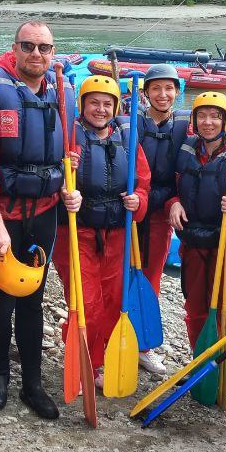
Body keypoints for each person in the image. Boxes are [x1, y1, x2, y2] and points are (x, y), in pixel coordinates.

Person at [0, 21, 68, 419]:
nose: (36, 54)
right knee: (1, 298)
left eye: (44, 47)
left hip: (43, 212)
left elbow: (64, 152)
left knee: (33, 298)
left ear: (52, 52)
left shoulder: (58, 90)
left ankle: (33, 384)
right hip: (2, 213)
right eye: (28, 46)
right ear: (15, 47)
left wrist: (68, 184)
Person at [53, 75, 151, 388]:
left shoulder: (127, 137)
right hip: (78, 232)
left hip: (117, 234)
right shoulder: (70, 137)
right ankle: (84, 361)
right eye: (94, 102)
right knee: (87, 304)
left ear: (115, 107)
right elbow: (54, 177)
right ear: (82, 106)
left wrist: (139, 200)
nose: (100, 109)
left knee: (112, 302)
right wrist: (65, 188)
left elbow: (143, 182)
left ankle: (100, 360)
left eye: (107, 103)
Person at [167, 90, 226, 402]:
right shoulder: (186, 152)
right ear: (194, 120)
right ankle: (202, 369)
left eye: (215, 116)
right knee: (196, 310)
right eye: (202, 116)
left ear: (225, 121)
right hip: (195, 245)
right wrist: (173, 202)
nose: (208, 122)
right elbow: (173, 189)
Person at [132, 63, 188, 373]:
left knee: (151, 278)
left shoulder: (185, 126)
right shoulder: (132, 121)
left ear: (177, 92)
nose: (162, 94)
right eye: (156, 88)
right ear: (146, 93)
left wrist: (176, 201)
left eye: (168, 88)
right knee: (121, 277)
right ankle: (117, 337)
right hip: (130, 212)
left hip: (160, 214)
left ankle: (143, 346)